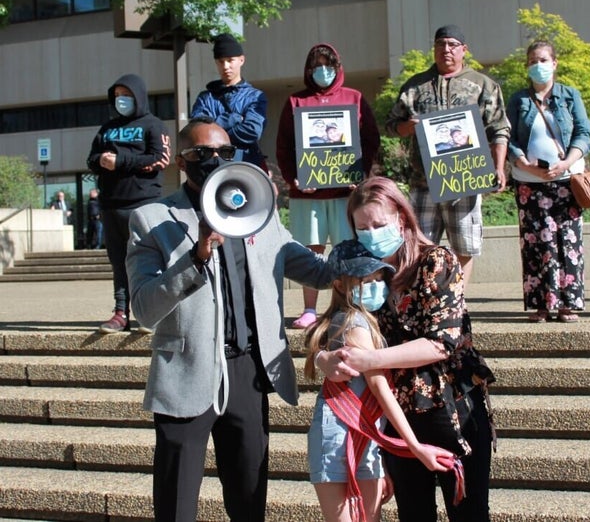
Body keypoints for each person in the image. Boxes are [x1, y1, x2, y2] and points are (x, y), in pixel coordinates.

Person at [125, 117, 332, 522]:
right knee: (176, 504)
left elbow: (317, 271)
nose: (216, 160)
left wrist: (374, 245)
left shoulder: (258, 211)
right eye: (203, 154)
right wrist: (195, 258)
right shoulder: (151, 219)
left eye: (224, 153)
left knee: (249, 497)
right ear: (182, 162)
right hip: (187, 371)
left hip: (248, 372)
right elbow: (144, 309)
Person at [317, 176, 496, 522]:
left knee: (469, 512)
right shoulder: (368, 269)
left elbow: (442, 342)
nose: (371, 233)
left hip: (451, 406)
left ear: (401, 216)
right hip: (397, 413)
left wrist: (371, 359)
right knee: (413, 513)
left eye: (379, 224)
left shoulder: (437, 262)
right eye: (362, 227)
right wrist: (326, 358)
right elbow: (337, 322)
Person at [305, 239, 457, 522]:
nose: (375, 285)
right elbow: (380, 388)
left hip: (369, 434)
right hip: (340, 434)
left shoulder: (371, 320)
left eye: (379, 278)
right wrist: (415, 446)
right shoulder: (354, 322)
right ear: (340, 285)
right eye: (366, 280)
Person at [386, 24, 510, 287]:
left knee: (464, 246)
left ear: (464, 50)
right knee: (417, 246)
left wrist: (499, 167)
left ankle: (457, 304)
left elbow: (499, 128)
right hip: (423, 182)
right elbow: (391, 124)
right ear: (434, 49)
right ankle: (423, 303)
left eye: (453, 44)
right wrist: (407, 127)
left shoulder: (483, 85)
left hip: (465, 182)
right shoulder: (415, 86)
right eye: (441, 44)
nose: (446, 49)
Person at [276, 43, 380, 329]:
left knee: (348, 248)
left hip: (346, 194)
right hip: (306, 193)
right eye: (317, 66)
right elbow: (284, 146)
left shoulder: (354, 98)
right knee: (310, 251)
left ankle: (346, 305)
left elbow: (371, 139)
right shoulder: (296, 102)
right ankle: (309, 308)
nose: (323, 71)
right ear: (309, 70)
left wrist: (360, 173)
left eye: (328, 65)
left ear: (338, 67)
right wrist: (292, 178)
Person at [505, 40, 590, 323]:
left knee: (567, 241)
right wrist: (523, 162)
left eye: (542, 59)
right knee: (537, 242)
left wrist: (566, 162)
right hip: (530, 182)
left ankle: (567, 303)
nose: (537, 65)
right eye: (532, 61)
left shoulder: (570, 95)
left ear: (554, 63)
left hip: (567, 180)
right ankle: (542, 304)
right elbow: (507, 137)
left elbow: (583, 132)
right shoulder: (519, 100)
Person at [87, 73, 170, 333]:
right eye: (118, 95)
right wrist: (100, 160)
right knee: (119, 261)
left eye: (127, 95)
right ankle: (121, 312)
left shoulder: (154, 125)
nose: (122, 100)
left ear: (139, 96)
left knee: (148, 260)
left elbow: (160, 159)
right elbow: (90, 159)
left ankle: (152, 313)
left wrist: (120, 161)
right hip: (111, 205)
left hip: (143, 204)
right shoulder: (107, 128)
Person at [191, 33, 267, 168]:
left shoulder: (255, 96)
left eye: (230, 60)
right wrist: (231, 119)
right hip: (212, 168)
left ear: (241, 60)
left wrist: (216, 130)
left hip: (246, 165)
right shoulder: (205, 98)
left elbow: (252, 131)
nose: (225, 66)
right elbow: (200, 132)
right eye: (221, 61)